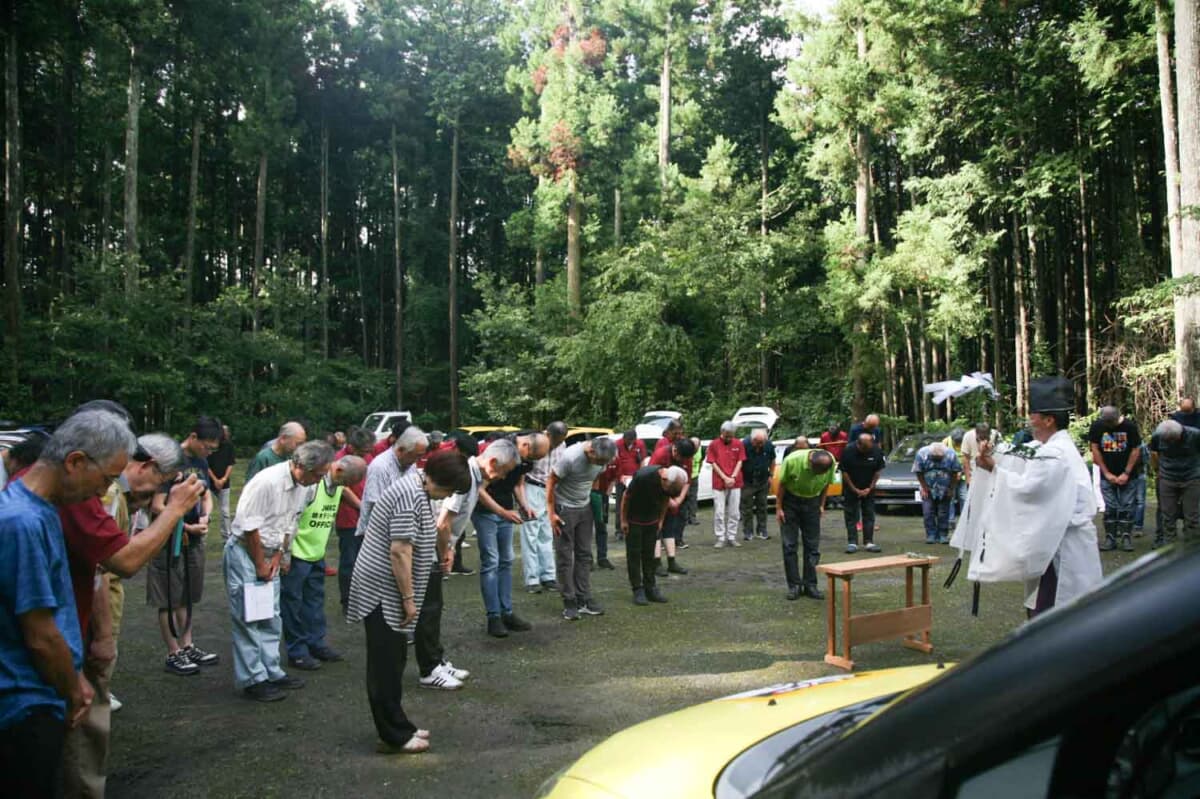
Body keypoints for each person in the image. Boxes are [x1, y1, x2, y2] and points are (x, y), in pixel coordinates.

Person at [57, 424, 205, 797]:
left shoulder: (116, 493)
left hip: (88, 613)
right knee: (86, 716)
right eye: (161, 482)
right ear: (147, 466)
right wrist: (175, 509)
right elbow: (116, 564)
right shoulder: (103, 493)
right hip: (81, 620)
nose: (158, 492)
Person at [0, 410, 136, 796]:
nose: (102, 492)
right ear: (76, 461)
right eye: (106, 478)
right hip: (24, 703)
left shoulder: (40, 511)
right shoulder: (20, 522)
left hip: (42, 692)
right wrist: (73, 687)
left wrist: (74, 674)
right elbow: (40, 634)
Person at [345, 450, 472, 755]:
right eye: (450, 490)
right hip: (381, 588)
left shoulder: (417, 488)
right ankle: (393, 735)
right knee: (385, 665)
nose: (448, 496)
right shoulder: (410, 494)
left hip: (391, 586)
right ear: (441, 481)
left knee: (396, 659)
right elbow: (399, 551)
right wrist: (409, 599)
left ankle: (399, 724)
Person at [968, 376, 1103, 618]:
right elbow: (1024, 456)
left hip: (1063, 545)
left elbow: (1029, 489)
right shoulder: (1054, 447)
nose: (1030, 421)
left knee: (1051, 610)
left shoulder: (1056, 452)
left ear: (1049, 420)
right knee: (1047, 606)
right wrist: (995, 453)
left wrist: (993, 469)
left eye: (1034, 416)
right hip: (1057, 541)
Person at [224, 441, 334, 702]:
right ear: (299, 466)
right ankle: (253, 679)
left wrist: (281, 556)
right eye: (317, 474)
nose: (319, 481)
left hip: (272, 553)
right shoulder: (267, 482)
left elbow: (291, 520)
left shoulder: (306, 485)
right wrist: (261, 563)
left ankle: (272, 671)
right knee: (249, 616)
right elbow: (250, 527)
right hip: (246, 552)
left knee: (270, 616)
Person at [426, 440, 518, 684]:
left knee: (434, 606)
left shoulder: (475, 478)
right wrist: (446, 550)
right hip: (428, 546)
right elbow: (443, 522)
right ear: (493, 462)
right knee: (430, 608)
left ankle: (436, 660)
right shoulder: (465, 479)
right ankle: (429, 669)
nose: (503, 477)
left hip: (437, 544)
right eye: (505, 471)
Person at [147, 416, 223, 676]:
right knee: (169, 596)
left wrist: (205, 516)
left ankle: (187, 645)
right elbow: (157, 506)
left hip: (194, 538)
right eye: (207, 447)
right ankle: (173, 652)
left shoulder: (201, 462)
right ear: (193, 437)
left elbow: (206, 494)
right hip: (169, 538)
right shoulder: (171, 461)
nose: (209, 452)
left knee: (188, 595)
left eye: (213, 449)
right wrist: (183, 524)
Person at [281, 454, 366, 670]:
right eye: (346, 481)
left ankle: (315, 642)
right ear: (337, 471)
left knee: (315, 602)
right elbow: (289, 519)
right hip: (297, 554)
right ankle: (297, 651)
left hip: (316, 554)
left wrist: (363, 508)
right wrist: (285, 555)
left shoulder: (337, 484)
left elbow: (343, 491)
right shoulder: (312, 485)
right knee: (293, 604)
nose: (346, 486)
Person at [472, 434, 545, 638]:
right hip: (486, 513)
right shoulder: (501, 452)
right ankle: (493, 616)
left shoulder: (524, 461)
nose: (533, 461)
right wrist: (502, 512)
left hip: (506, 511)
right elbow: (479, 490)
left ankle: (507, 612)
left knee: (507, 561)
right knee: (491, 562)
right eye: (533, 455)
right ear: (525, 445)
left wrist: (524, 506)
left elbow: (517, 484)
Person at [547, 437, 617, 621]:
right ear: (591, 452)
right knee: (564, 556)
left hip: (584, 507)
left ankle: (583, 598)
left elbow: (594, 479)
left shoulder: (603, 458)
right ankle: (569, 601)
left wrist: (592, 498)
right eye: (600, 462)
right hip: (564, 508)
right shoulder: (570, 457)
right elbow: (551, 481)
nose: (601, 465)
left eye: (604, 462)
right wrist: (551, 512)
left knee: (585, 554)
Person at [620, 466, 689, 605]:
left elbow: (664, 501)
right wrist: (623, 520)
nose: (667, 492)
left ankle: (650, 587)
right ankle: (637, 589)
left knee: (649, 555)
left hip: (652, 520)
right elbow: (626, 497)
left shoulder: (671, 482)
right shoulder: (642, 477)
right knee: (634, 555)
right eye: (667, 490)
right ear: (663, 480)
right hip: (634, 519)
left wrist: (660, 521)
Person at [775, 448, 835, 600]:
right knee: (789, 545)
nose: (819, 475)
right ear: (810, 463)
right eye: (817, 472)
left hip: (812, 502)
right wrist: (779, 508)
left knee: (812, 546)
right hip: (791, 502)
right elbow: (781, 484)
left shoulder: (830, 461)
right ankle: (794, 585)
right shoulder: (792, 461)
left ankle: (810, 585)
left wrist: (822, 505)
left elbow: (827, 484)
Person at [1088, 405, 1142, 552]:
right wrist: (1106, 473)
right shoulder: (1098, 426)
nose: (1108, 425)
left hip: (1129, 475)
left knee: (1127, 506)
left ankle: (1126, 538)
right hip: (1107, 475)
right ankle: (1110, 538)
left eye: (1110, 423)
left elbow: (1136, 449)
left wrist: (1126, 472)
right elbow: (1094, 448)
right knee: (1110, 508)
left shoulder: (1129, 426)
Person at [334, 427, 375, 610]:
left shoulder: (368, 457)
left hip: (368, 517)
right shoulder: (339, 460)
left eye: (369, 451)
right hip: (348, 518)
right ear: (352, 446)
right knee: (349, 561)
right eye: (365, 451)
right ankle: (348, 601)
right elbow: (342, 487)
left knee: (366, 559)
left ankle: (364, 597)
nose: (368, 454)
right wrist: (361, 506)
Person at [520, 426, 560, 595]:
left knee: (547, 534)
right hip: (532, 487)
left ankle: (548, 576)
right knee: (530, 534)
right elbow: (521, 473)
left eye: (561, 441)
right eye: (556, 440)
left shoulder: (561, 446)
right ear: (548, 435)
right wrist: (523, 502)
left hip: (549, 490)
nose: (558, 444)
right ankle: (532, 579)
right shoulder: (533, 442)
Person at [1149, 419, 1200, 547]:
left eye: (1173, 439)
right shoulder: (1157, 437)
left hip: (1191, 477)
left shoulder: (1195, 435)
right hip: (1167, 477)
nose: (1170, 442)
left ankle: (1192, 547)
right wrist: (1157, 471)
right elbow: (1154, 453)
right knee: (1167, 515)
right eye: (1167, 440)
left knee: (1192, 516)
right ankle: (1169, 546)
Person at [649, 438, 695, 575]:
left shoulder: (686, 456)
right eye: (680, 457)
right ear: (675, 450)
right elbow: (652, 480)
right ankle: (656, 563)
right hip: (656, 495)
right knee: (657, 527)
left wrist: (679, 500)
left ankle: (672, 561)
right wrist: (669, 501)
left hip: (674, 497)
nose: (682, 461)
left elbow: (687, 481)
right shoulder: (660, 455)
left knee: (670, 527)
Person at [840, 432, 886, 553]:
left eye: (869, 448)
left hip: (868, 488)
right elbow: (844, 472)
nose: (867, 451)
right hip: (851, 487)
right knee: (851, 515)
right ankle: (852, 542)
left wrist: (870, 488)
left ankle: (869, 542)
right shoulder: (848, 451)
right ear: (858, 444)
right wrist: (854, 489)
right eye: (864, 449)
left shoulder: (876, 450)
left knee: (869, 514)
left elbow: (878, 471)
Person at [913, 442, 961, 545]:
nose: (937, 460)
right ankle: (931, 535)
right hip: (927, 486)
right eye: (935, 458)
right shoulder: (921, 454)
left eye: (939, 458)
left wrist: (951, 488)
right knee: (928, 512)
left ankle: (943, 535)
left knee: (943, 512)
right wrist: (924, 487)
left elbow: (955, 472)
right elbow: (918, 472)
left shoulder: (951, 454)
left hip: (945, 487)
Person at [707, 421, 746, 548]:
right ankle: (720, 537)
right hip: (719, 481)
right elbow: (712, 463)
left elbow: (740, 461)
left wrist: (733, 477)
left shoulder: (738, 443)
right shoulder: (713, 444)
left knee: (734, 511)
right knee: (719, 511)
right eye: (726, 435)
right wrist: (724, 477)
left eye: (731, 435)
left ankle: (732, 536)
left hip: (735, 481)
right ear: (721, 432)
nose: (729, 438)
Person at [740, 429, 775, 541]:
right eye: (758, 442)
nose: (760, 445)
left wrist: (771, 475)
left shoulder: (768, 445)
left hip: (763, 480)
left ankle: (762, 530)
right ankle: (748, 532)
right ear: (752, 440)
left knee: (762, 506)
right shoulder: (744, 445)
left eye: (762, 442)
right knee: (747, 508)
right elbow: (738, 462)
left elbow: (773, 460)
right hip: (747, 481)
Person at [612, 431, 646, 540]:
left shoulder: (640, 445)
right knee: (620, 504)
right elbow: (615, 462)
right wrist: (621, 476)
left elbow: (643, 461)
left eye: (631, 441)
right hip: (621, 479)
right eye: (627, 441)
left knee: (634, 504)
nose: (629, 443)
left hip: (635, 479)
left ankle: (633, 527)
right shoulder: (617, 445)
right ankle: (619, 530)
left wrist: (639, 475)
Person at [207, 424, 236, 540]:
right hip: (209, 483)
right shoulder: (211, 445)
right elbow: (206, 465)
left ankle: (227, 536)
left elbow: (230, 464)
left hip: (224, 484)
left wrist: (223, 479)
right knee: (206, 510)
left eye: (226, 432)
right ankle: (203, 534)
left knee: (225, 512)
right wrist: (215, 480)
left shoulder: (229, 446)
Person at [590, 456, 619, 568]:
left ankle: (602, 558)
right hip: (588, 494)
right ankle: (588, 559)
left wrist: (607, 493)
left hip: (602, 495)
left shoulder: (614, 461)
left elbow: (614, 478)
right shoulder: (592, 460)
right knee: (586, 528)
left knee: (601, 527)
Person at [942, 428, 967, 524]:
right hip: (950, 474)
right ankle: (950, 520)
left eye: (959, 442)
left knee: (963, 496)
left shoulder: (967, 442)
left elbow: (970, 459)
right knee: (950, 497)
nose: (957, 444)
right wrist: (953, 473)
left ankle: (964, 520)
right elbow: (942, 460)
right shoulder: (946, 442)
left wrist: (962, 472)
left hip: (963, 475)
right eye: (956, 442)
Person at [683, 436, 702, 527]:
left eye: (696, 445)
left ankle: (692, 518)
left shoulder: (700, 451)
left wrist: (698, 472)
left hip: (694, 477)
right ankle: (685, 518)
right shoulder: (686, 450)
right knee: (685, 498)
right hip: (686, 478)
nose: (694, 447)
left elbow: (700, 462)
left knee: (693, 498)